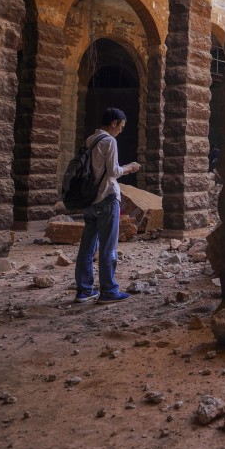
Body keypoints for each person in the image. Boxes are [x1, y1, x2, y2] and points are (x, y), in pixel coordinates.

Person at [74, 108, 141, 304]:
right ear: (114, 123)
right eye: (121, 126)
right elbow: (113, 171)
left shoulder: (90, 140)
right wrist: (129, 168)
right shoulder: (109, 141)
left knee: (87, 247)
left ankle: (84, 290)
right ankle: (109, 291)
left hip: (90, 200)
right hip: (107, 198)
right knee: (108, 248)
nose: (120, 130)